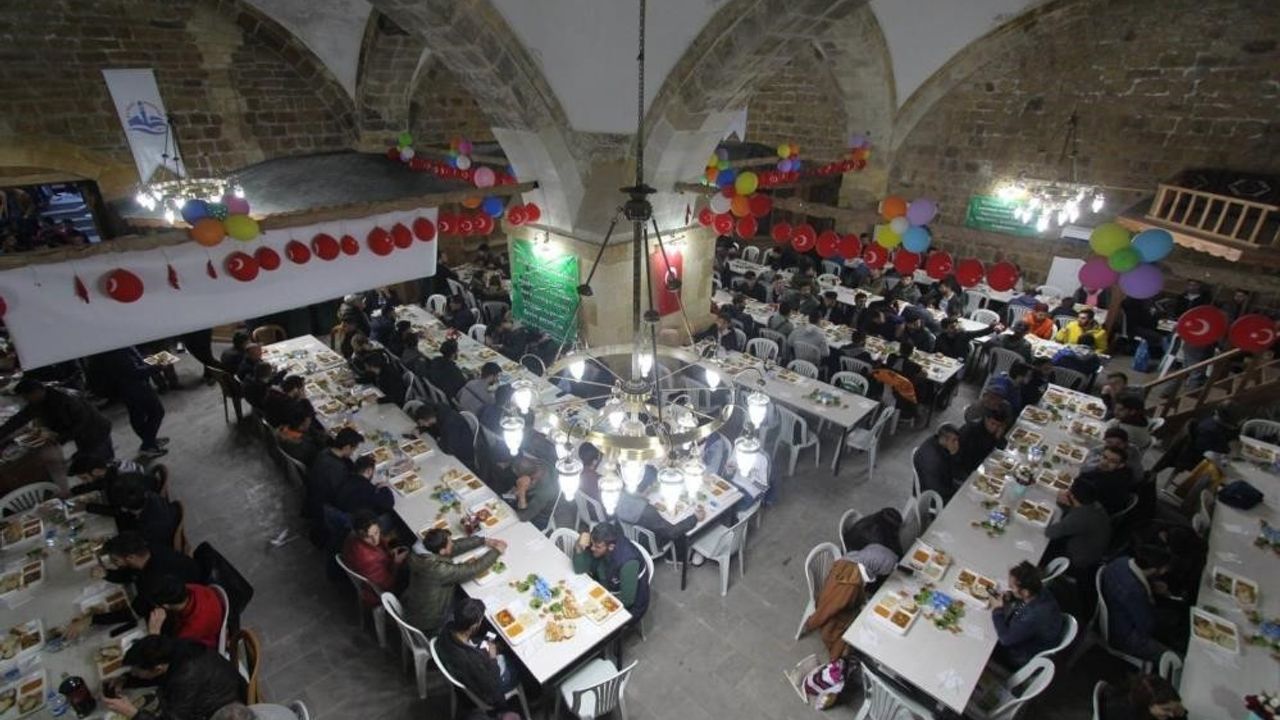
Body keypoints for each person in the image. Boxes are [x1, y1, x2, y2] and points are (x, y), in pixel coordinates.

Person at [73, 532, 203, 632]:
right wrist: (107, 574)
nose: (113, 564)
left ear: (130, 557)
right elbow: (131, 573)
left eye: (115, 560)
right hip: (190, 582)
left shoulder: (154, 580)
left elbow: (133, 613)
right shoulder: (147, 550)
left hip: (185, 607)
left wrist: (92, 620)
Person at [103, 635, 245, 720]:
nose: (133, 673)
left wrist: (133, 713)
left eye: (136, 671)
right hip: (219, 687)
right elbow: (158, 674)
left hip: (224, 708)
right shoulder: (174, 649)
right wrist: (126, 680)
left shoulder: (184, 678)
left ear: (158, 668)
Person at [404, 530, 503, 634]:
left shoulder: (423, 552)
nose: (452, 543)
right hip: (431, 620)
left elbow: (453, 547)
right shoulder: (436, 569)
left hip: (418, 607)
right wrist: (496, 552)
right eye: (450, 542)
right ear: (442, 551)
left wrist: (483, 541)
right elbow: (471, 570)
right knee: (472, 610)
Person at [434, 599, 520, 710]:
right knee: (517, 663)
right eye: (480, 620)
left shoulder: (447, 628)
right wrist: (492, 657)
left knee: (492, 639)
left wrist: (483, 649)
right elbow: (493, 688)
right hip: (489, 688)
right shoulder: (471, 660)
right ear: (473, 627)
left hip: (460, 658)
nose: (481, 622)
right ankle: (531, 693)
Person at [0, 378, 115, 461]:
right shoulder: (40, 398)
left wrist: (60, 438)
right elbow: (20, 418)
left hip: (95, 430)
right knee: (89, 456)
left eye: (26, 397)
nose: (26, 401)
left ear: (36, 392)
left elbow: (82, 422)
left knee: (101, 462)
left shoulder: (65, 399)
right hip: (81, 434)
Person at [1100, 545, 1179, 662]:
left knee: (1171, 618)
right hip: (1125, 635)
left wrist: (1151, 586)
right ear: (1153, 570)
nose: (1163, 572)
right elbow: (1147, 627)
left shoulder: (1122, 561)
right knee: (1173, 658)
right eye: (1163, 569)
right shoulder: (1135, 590)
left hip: (1115, 613)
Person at [991, 561, 1065, 669]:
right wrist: (1012, 596)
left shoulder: (1034, 614)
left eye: (1012, 587)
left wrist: (997, 610)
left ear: (1025, 592)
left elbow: (1005, 639)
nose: (1009, 588)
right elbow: (1023, 600)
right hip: (1026, 635)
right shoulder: (1039, 590)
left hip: (1020, 655)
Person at [98, 347, 169, 459]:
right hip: (134, 388)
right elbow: (134, 372)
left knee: (138, 414)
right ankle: (148, 445)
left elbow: (135, 359)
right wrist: (158, 367)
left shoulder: (120, 348)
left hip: (129, 387)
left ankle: (150, 440)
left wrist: (152, 359)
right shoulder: (117, 352)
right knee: (156, 412)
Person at [573, 523, 649, 621]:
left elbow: (627, 600)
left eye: (597, 547)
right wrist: (579, 547)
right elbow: (579, 570)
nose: (592, 548)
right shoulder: (598, 540)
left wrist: (597, 603)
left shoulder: (628, 562)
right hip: (606, 589)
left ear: (611, 547)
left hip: (629, 607)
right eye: (592, 544)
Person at [142, 575, 227, 650]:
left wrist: (154, 634)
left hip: (204, 644)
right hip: (212, 608)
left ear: (165, 606)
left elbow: (172, 651)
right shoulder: (190, 588)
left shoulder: (191, 628)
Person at [341, 510, 408, 605]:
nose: (375, 540)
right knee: (410, 567)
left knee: (395, 538)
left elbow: (378, 541)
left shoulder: (353, 534)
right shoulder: (366, 559)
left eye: (376, 532)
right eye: (368, 537)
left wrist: (389, 547)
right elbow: (387, 584)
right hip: (379, 592)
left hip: (378, 567)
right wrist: (397, 562)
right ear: (359, 534)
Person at [1044, 481, 1111, 575]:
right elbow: (1074, 513)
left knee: (1042, 547)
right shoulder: (1093, 505)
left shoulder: (1081, 517)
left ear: (1072, 496)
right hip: (1092, 550)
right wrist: (1064, 504)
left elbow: (1050, 532)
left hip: (1077, 559)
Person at [304, 427, 363, 520]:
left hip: (314, 495)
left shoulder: (325, 452)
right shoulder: (337, 468)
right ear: (347, 447)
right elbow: (341, 496)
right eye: (353, 449)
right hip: (325, 507)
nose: (353, 453)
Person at [111, 478, 181, 550]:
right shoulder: (150, 495)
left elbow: (143, 545)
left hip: (163, 543)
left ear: (124, 508)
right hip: (170, 518)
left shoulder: (148, 527)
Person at [1064, 445, 1132, 515]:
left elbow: (1085, 493)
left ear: (1121, 465)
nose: (1105, 462)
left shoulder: (1113, 480)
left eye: (1112, 461)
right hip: (1090, 505)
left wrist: (1076, 477)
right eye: (1104, 457)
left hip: (1093, 514)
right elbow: (1088, 477)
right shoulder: (1109, 471)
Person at [407, 401, 475, 469]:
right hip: (451, 443)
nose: (421, 425)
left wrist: (438, 439)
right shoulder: (433, 410)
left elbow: (449, 449)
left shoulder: (449, 423)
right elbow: (429, 425)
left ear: (428, 420)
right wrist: (419, 429)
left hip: (463, 457)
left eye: (421, 423)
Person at [1099, 674, 1188, 720]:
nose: (1171, 714)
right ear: (1149, 705)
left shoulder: (1151, 705)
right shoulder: (1128, 714)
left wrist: (1181, 712)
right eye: (1166, 709)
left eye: (1173, 709)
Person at [913, 424, 963, 502]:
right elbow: (936, 488)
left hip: (940, 483)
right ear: (943, 439)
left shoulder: (936, 441)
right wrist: (956, 491)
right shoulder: (933, 459)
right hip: (930, 495)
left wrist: (954, 454)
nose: (957, 444)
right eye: (954, 440)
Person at [508, 456, 559, 528]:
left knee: (511, 522)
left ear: (526, 478)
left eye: (519, 477)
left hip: (540, 515)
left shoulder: (543, 493)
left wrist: (521, 491)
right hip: (533, 498)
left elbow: (523, 517)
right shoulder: (539, 464)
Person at [956, 407, 1009, 476]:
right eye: (993, 423)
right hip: (965, 469)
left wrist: (998, 437)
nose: (995, 428)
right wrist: (995, 440)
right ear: (986, 419)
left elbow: (1003, 447)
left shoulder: (995, 430)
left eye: (998, 425)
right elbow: (975, 456)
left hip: (982, 465)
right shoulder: (972, 430)